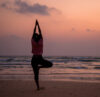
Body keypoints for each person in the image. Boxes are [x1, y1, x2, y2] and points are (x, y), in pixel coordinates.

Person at [31, 20, 53, 90]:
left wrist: (38, 25)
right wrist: (35, 26)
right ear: (34, 37)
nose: (36, 36)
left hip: (40, 58)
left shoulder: (41, 40)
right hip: (34, 59)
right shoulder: (32, 40)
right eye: (35, 35)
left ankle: (40, 67)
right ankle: (38, 87)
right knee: (36, 74)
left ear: (39, 36)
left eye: (37, 35)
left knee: (50, 64)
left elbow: (40, 32)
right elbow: (33, 32)